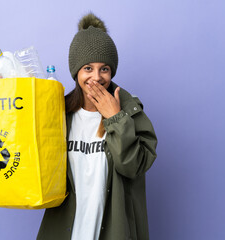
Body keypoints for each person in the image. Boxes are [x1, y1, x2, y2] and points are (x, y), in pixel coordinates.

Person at [37, 13, 157, 240]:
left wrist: (116, 118)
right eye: (88, 68)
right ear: (76, 72)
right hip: (67, 229)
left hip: (113, 231)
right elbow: (34, 162)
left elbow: (133, 167)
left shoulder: (130, 111)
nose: (96, 77)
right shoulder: (60, 114)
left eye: (104, 69)